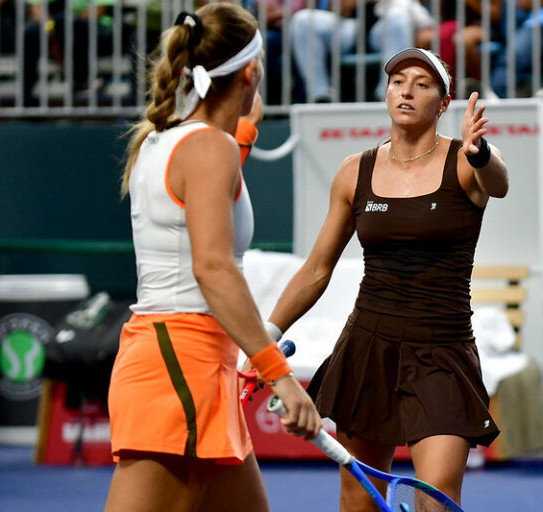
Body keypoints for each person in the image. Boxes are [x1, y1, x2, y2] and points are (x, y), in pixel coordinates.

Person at [263, 48, 508, 509]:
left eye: (422, 83)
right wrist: (267, 336)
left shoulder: (466, 161)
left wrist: (481, 154)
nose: (407, 91)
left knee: (434, 500)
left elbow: (499, 181)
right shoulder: (354, 171)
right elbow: (318, 268)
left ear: (443, 101)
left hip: (442, 352)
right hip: (367, 350)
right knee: (358, 500)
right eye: (398, 81)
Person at [104, 4, 321, 512]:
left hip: (186, 360)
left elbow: (198, 206)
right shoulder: (207, 150)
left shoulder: (167, 138)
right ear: (251, 71)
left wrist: (240, 134)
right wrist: (280, 377)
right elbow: (212, 268)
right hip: (180, 366)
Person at [289, 0, 434, 102]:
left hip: (383, 26)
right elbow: (340, 8)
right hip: (349, 27)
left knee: (397, 16)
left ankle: (388, 93)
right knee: (303, 19)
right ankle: (320, 97)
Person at [415, 0, 505, 98]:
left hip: (483, 26)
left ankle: (484, 87)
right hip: (452, 25)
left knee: (464, 40)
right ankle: (435, 89)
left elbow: (496, 15)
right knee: (423, 38)